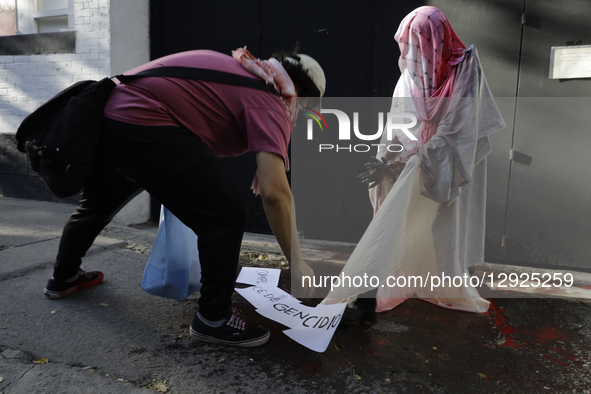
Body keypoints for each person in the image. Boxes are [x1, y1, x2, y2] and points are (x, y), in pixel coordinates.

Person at [43, 47, 324, 347]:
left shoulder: (244, 70)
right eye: (306, 108)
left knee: (96, 206)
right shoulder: (271, 98)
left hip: (115, 118)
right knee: (226, 216)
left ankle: (64, 277)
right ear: (300, 95)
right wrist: (297, 262)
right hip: (146, 123)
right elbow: (274, 193)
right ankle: (214, 320)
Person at [322, 6, 505, 325]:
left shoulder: (465, 71)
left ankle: (454, 278)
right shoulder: (410, 71)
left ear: (436, 40)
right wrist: (385, 161)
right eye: (406, 45)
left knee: (446, 228)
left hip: (449, 164)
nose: (409, 53)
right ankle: (365, 298)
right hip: (412, 163)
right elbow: (399, 121)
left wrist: (407, 161)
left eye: (417, 44)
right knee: (391, 222)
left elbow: (459, 131)